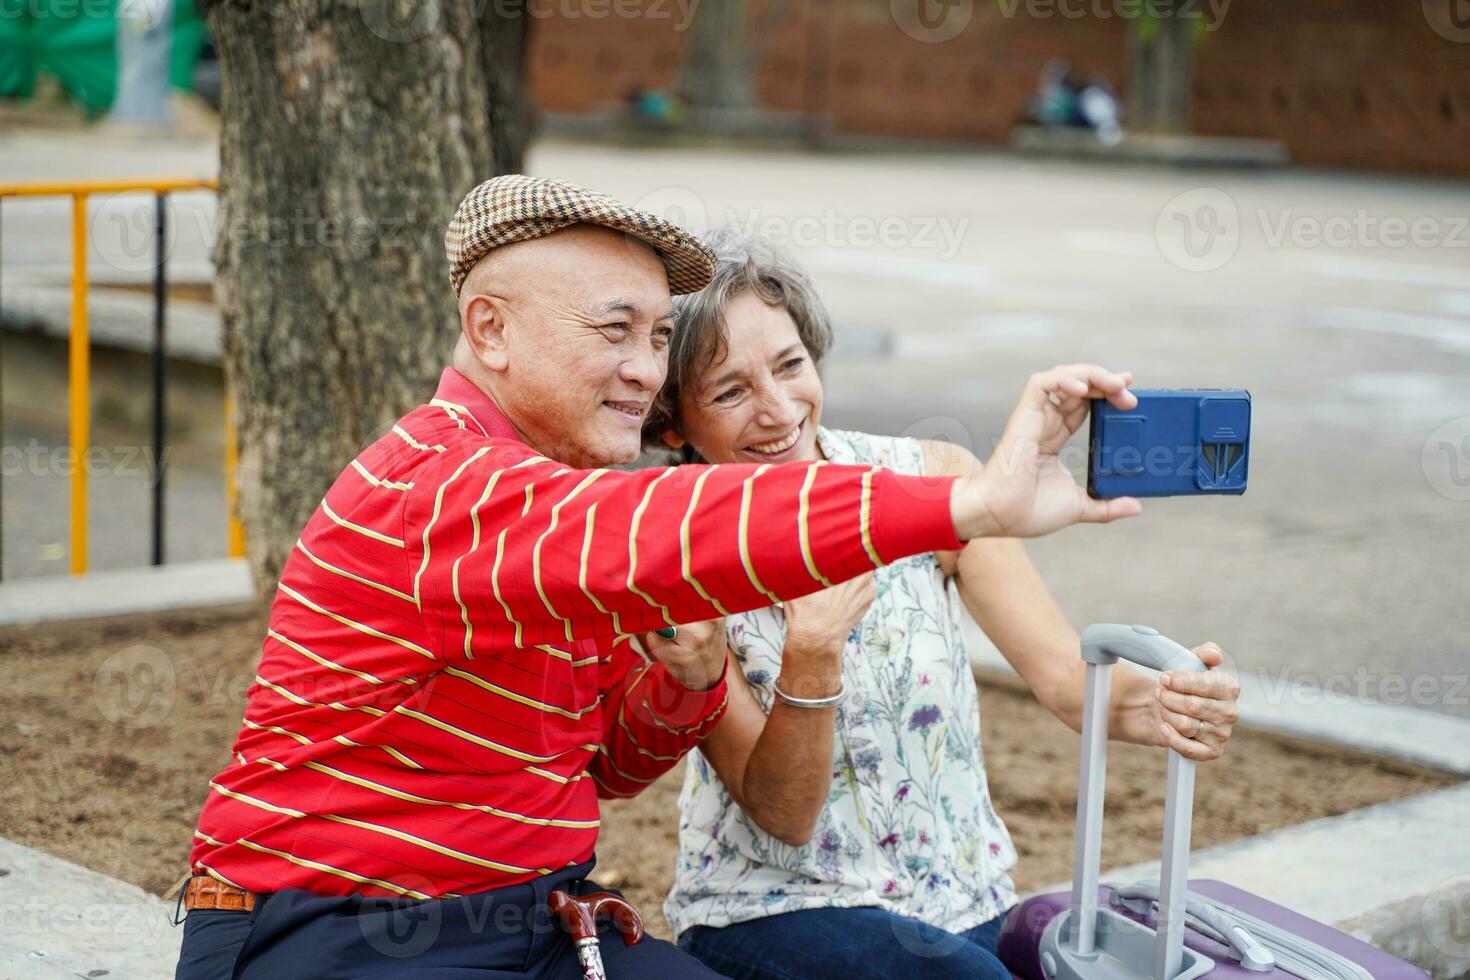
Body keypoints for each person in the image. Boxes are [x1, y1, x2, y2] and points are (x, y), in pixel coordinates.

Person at [173, 175, 1144, 979]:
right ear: (492, 328)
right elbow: (675, 527)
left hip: (536, 922)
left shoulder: (571, 500)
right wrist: (965, 504)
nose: (643, 368)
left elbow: (613, 767)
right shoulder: (438, 480)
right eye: (615, 329)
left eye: (655, 336)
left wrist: (686, 679)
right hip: (331, 926)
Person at [646, 229, 1241, 980]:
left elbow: (1067, 681)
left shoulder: (930, 482)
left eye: (790, 365)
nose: (777, 409)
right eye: (730, 391)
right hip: (778, 909)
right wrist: (812, 652)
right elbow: (784, 818)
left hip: (962, 900)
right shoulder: (673, 560)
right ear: (672, 422)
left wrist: (1165, 702)